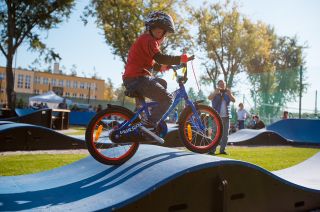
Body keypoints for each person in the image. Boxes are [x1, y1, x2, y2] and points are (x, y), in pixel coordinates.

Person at [122, 11, 189, 128]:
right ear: (151, 28)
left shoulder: (146, 41)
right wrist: (180, 59)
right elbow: (160, 58)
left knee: (162, 83)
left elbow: (155, 64)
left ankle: (147, 114)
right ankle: (150, 124)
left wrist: (169, 66)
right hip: (137, 79)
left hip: (135, 78)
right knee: (168, 99)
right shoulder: (148, 40)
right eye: (157, 30)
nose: (160, 33)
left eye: (162, 31)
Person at [208, 80, 236, 154]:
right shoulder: (215, 92)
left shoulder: (228, 92)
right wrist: (215, 92)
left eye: (223, 84)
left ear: (225, 85)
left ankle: (222, 150)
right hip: (216, 116)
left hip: (226, 117)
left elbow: (234, 100)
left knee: (225, 134)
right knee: (214, 133)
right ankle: (212, 150)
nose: (222, 85)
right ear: (217, 85)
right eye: (220, 84)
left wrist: (229, 94)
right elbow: (209, 98)